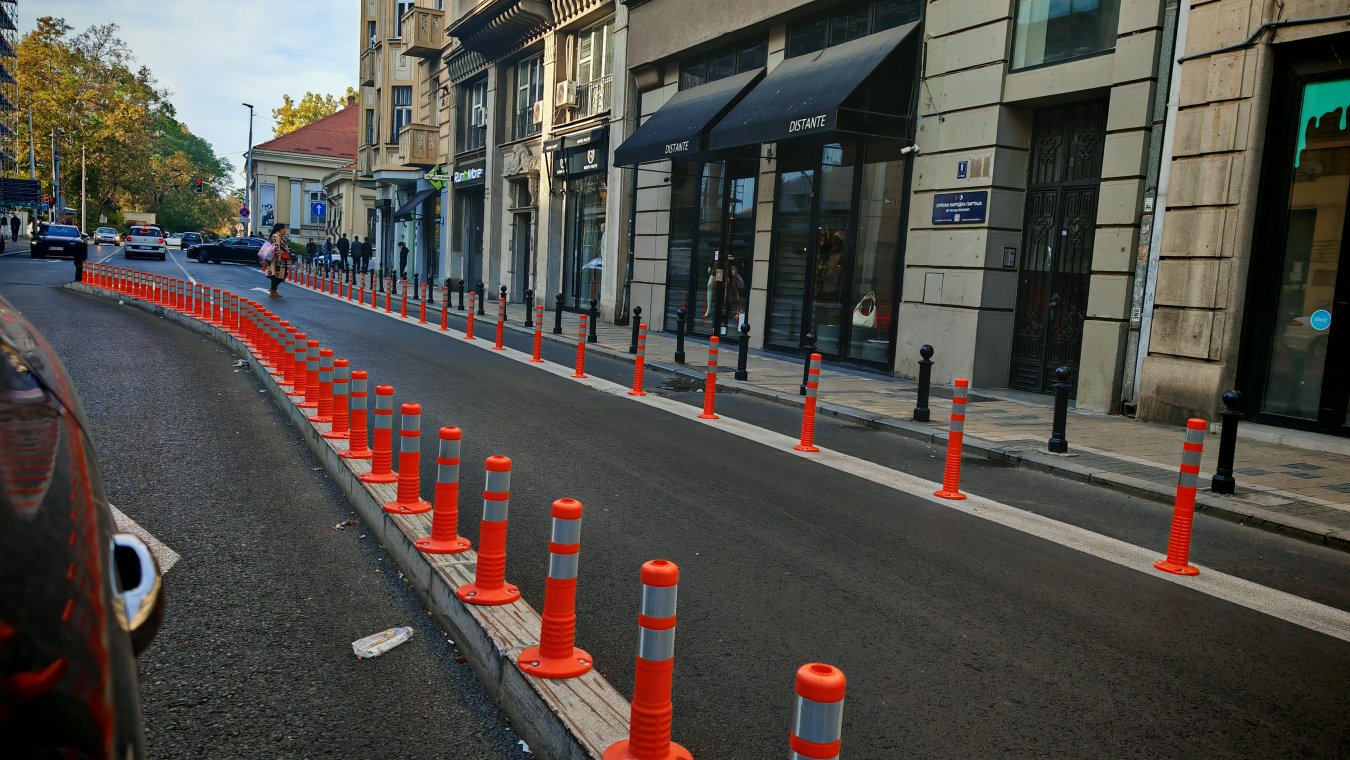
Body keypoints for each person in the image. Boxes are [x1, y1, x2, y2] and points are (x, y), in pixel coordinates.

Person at [264, 222, 292, 298]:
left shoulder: (278, 236)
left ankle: (273, 291)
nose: (285, 231)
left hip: (279, 259)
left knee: (277, 275)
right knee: (280, 275)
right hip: (277, 259)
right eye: (284, 229)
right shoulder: (276, 236)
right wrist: (279, 257)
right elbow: (276, 247)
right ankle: (273, 290)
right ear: (280, 229)